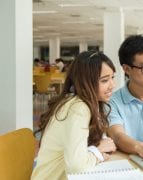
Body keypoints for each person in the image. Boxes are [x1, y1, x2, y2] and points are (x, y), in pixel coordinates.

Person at [32, 51, 117, 180]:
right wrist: (97, 152)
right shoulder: (79, 108)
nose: (112, 85)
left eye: (112, 78)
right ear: (86, 82)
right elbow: (76, 167)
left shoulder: (76, 102)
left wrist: (98, 147)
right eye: (104, 80)